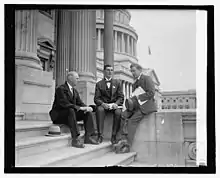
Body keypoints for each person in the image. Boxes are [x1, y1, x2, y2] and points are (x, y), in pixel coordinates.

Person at [49, 71, 99, 148]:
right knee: (71, 110)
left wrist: (86, 108)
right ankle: (75, 139)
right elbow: (64, 103)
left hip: (70, 114)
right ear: (70, 78)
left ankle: (88, 137)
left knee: (86, 112)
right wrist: (80, 108)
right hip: (58, 115)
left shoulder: (74, 91)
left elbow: (80, 103)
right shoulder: (60, 89)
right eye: (76, 78)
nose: (78, 80)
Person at [118, 63, 157, 150]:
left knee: (132, 121)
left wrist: (139, 97)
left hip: (146, 107)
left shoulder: (147, 79)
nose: (132, 73)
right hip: (136, 106)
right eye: (131, 71)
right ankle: (121, 140)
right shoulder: (135, 83)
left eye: (134, 71)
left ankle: (128, 145)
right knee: (123, 115)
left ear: (140, 70)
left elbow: (151, 93)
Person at [94, 65, 124, 144]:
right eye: (108, 70)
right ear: (104, 71)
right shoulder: (99, 84)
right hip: (104, 106)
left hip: (114, 106)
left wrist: (116, 104)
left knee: (118, 112)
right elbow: (96, 99)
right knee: (99, 110)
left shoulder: (118, 83)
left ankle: (114, 135)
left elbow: (121, 97)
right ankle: (100, 135)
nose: (110, 72)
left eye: (111, 70)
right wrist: (103, 104)